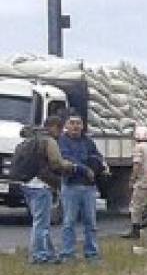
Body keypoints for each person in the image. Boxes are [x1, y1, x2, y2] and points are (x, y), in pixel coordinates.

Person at [18, 116, 84, 265]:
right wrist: (71, 166)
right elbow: (56, 162)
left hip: (27, 183)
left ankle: (48, 252)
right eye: (60, 129)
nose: (61, 133)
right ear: (54, 127)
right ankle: (39, 255)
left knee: (40, 220)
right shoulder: (49, 141)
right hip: (42, 185)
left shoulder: (31, 138)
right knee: (41, 223)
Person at [58, 113, 107, 263]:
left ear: (82, 126)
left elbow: (98, 156)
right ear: (66, 126)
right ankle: (67, 254)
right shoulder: (62, 141)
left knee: (91, 222)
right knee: (69, 222)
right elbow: (66, 159)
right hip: (71, 186)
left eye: (78, 123)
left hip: (89, 187)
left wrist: (95, 166)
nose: (75, 126)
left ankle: (91, 254)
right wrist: (85, 169)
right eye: (72, 123)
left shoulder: (88, 141)